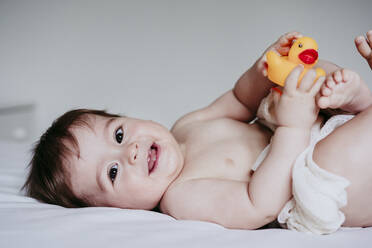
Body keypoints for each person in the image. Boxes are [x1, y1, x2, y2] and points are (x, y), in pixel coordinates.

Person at [23, 30, 372, 234]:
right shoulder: (181, 196)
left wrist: (264, 67)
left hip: (318, 127)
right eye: (112, 173)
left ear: (127, 118)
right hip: (312, 180)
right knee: (330, 158)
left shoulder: (187, 126)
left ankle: (354, 98)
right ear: (116, 208)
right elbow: (260, 204)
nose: (128, 152)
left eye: (118, 135)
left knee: (306, 76)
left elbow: (240, 99)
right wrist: (293, 126)